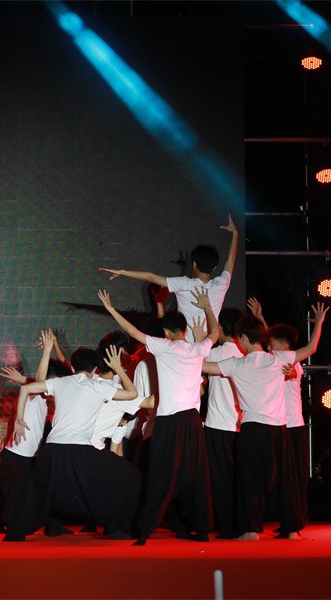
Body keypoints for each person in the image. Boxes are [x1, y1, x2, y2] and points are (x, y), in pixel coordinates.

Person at [98, 287, 218, 545]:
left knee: (161, 475)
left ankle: (145, 531)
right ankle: (201, 529)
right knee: (196, 474)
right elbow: (215, 333)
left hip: (170, 420)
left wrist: (111, 309)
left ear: (166, 332)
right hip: (193, 421)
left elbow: (133, 332)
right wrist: (207, 307)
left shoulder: (164, 347)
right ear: (184, 330)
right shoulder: (197, 349)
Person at [201, 302, 328, 540]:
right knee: (285, 481)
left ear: (243, 338)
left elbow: (203, 365)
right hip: (279, 431)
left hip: (251, 430)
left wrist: (198, 345)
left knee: (250, 480)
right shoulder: (277, 359)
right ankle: (291, 529)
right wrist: (319, 322)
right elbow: (311, 348)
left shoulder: (237, 364)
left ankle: (251, 530)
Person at [3, 344, 145, 541]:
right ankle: (116, 528)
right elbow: (132, 394)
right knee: (130, 476)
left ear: (71, 367)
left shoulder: (61, 382)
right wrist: (119, 369)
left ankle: (17, 531)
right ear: (95, 370)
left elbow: (26, 388)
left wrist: (19, 418)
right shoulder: (98, 386)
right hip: (80, 450)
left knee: (38, 489)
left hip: (52, 450)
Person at [99, 215, 239, 341]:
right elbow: (230, 262)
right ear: (214, 267)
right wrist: (235, 234)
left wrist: (123, 271)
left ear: (194, 264)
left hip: (183, 344)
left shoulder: (185, 284)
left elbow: (151, 277)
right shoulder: (221, 284)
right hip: (207, 344)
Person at [0, 330, 69, 534]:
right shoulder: (35, 395)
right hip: (16, 457)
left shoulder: (43, 397)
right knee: (16, 499)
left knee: (26, 497)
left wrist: (54, 347)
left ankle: (19, 526)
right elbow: (39, 380)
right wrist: (46, 352)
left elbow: (63, 375)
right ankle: (11, 528)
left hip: (25, 457)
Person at [249, 297, 311, 530]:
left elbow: (290, 371)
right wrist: (260, 318)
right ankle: (288, 520)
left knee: (294, 478)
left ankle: (296, 522)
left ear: (284, 348)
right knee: (282, 477)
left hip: (293, 427)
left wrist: (290, 374)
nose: (268, 347)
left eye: (272, 344)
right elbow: (272, 340)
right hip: (282, 427)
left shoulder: (293, 364)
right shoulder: (277, 358)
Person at [203, 308, 244, 538]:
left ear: (221, 328)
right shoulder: (243, 354)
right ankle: (240, 521)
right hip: (239, 424)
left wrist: (200, 337)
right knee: (238, 476)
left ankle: (226, 524)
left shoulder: (216, 353)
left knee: (219, 477)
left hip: (218, 424)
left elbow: (195, 362)